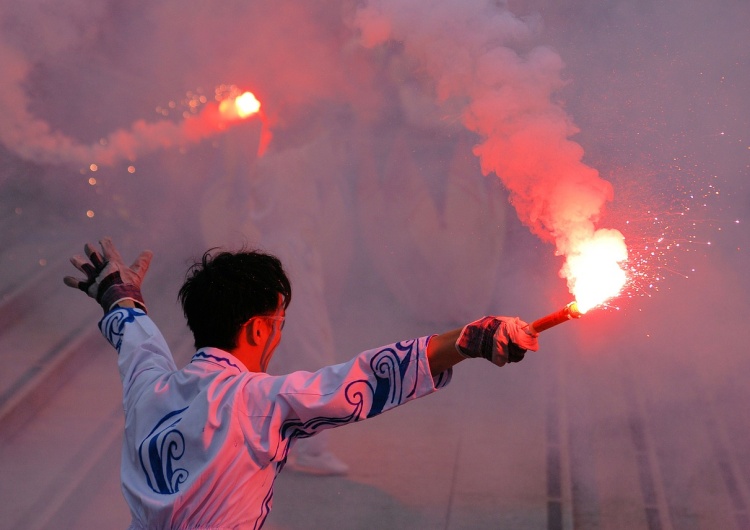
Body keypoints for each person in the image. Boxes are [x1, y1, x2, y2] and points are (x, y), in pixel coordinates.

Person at [64, 237, 538, 529]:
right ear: (257, 328)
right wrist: (474, 337)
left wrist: (116, 292)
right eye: (280, 320)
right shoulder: (259, 402)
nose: (280, 332)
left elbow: (136, 338)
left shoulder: (152, 388)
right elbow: (367, 375)